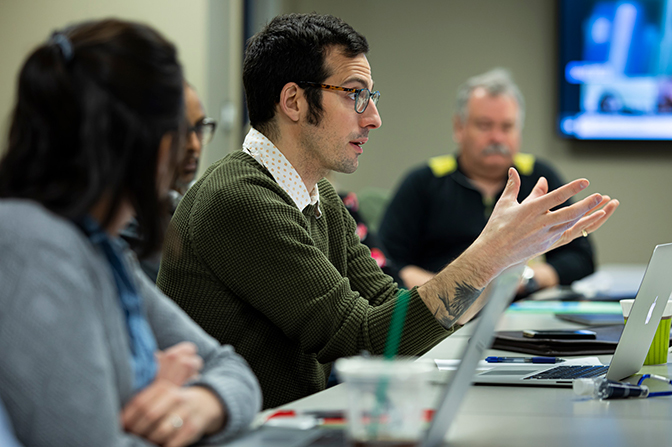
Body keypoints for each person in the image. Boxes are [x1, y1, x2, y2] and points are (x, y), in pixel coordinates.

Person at [157, 13, 618, 409]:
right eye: (355, 94)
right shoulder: (242, 198)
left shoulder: (318, 198)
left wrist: (502, 259)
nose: (372, 117)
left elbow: (389, 312)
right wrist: (490, 255)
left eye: (371, 97)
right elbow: (365, 340)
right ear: (293, 101)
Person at [0, 19, 260, 447]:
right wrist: (151, 392)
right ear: (159, 145)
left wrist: (200, 404)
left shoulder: (101, 248)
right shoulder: (35, 248)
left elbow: (231, 369)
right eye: (182, 131)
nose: (191, 147)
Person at [379, 69, 597, 295]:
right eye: (485, 125)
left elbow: (580, 258)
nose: (497, 137)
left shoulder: (540, 178)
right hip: (439, 314)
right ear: (459, 127)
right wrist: (447, 292)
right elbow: (387, 261)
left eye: (507, 127)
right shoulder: (424, 182)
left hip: (519, 306)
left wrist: (527, 280)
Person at [120, 82, 217, 282]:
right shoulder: (127, 224)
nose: (194, 145)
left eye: (199, 128)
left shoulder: (202, 203)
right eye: (181, 131)